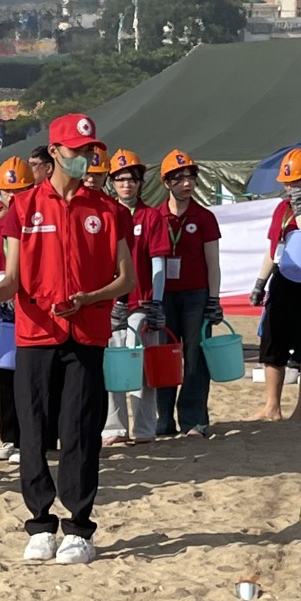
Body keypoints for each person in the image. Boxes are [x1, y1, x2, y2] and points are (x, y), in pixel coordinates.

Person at [0, 113, 134, 565]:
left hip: (86, 334)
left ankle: (79, 527)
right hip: (35, 335)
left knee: (80, 431)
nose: (85, 157)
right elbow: (11, 279)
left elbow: (126, 279)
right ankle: (41, 523)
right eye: (77, 151)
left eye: (90, 150)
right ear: (55, 152)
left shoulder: (109, 211)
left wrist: (89, 298)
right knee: (33, 430)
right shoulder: (23, 208)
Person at [247, 146, 301, 422]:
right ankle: (272, 407)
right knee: (272, 346)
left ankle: (300, 413)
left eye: (296, 181)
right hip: (283, 280)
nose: (290, 187)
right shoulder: (280, 209)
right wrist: (260, 282)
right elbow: (273, 248)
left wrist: (300, 212)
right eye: (287, 182)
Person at [101, 149, 169, 447]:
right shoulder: (104, 214)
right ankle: (114, 427)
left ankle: (144, 428)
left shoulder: (151, 217)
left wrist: (157, 301)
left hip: (141, 302)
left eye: (132, 179)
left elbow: (158, 262)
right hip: (109, 303)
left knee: (142, 366)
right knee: (113, 366)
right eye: (120, 179)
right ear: (112, 182)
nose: (126, 184)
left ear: (141, 182)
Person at [156, 150, 223, 436]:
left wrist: (214, 299)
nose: (186, 183)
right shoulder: (155, 217)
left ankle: (194, 419)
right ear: (166, 182)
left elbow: (213, 263)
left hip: (196, 295)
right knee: (164, 356)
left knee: (196, 356)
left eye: (191, 177)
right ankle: (164, 419)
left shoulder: (205, 217)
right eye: (179, 178)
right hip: (163, 296)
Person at [0, 157, 35, 464]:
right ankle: (9, 438)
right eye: (7, 191)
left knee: (30, 375)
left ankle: (31, 438)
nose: (13, 197)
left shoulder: (38, 223)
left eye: (20, 191)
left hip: (32, 303)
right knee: (4, 372)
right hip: (5, 304)